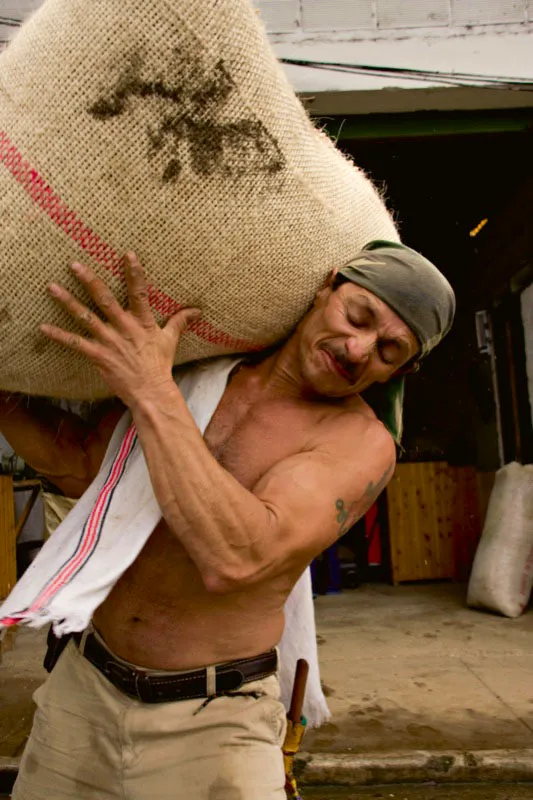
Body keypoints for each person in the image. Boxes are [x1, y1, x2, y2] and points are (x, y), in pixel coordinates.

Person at [2, 240, 454, 799]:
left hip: (214, 726)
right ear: (326, 287)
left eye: (389, 350)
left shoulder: (359, 444)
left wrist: (151, 388)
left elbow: (238, 557)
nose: (359, 348)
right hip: (81, 693)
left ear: (400, 371)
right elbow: (82, 466)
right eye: (357, 315)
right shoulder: (201, 369)